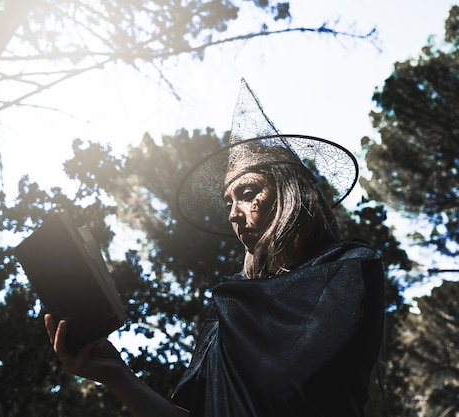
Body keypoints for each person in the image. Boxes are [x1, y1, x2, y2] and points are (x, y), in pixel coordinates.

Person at [45, 78, 385, 417]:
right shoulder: (227, 306)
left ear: (290, 192)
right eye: (228, 202)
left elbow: (299, 390)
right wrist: (117, 376)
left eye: (249, 193)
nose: (234, 213)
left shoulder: (351, 268)